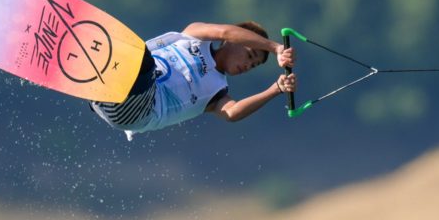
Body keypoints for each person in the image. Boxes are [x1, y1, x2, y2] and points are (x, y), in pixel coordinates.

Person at [90, 21, 297, 139]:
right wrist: (275, 47)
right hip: (108, 93)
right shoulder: (193, 35)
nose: (247, 66)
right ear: (232, 42)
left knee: (142, 60)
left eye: (253, 66)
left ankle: (103, 69)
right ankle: (93, 77)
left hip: (137, 111)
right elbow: (225, 31)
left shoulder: (218, 92)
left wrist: (276, 89)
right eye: (250, 56)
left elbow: (233, 113)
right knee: (128, 49)